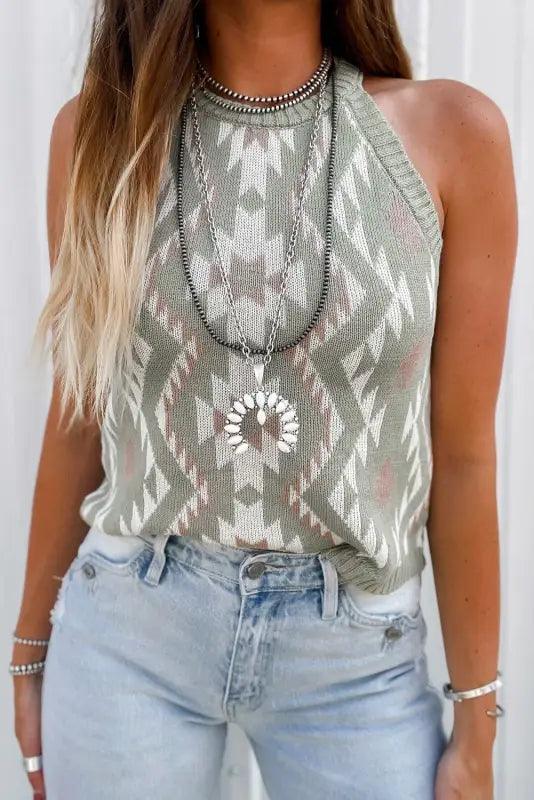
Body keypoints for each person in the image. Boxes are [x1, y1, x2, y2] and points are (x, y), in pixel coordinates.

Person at [12, 1, 516, 798]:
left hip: (356, 662)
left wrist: (478, 723)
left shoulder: (451, 135)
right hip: (129, 636)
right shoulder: (100, 136)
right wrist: (27, 653)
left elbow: (463, 457)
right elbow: (81, 416)